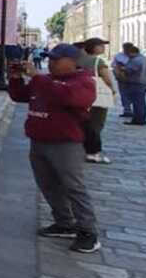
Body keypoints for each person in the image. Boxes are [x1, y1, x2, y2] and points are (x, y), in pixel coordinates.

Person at [7, 44, 100, 253]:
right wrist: (15, 78)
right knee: (48, 184)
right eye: (50, 59)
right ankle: (64, 222)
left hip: (65, 143)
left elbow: (66, 97)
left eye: (56, 60)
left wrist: (36, 77)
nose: (51, 63)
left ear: (72, 61)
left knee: (73, 187)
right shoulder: (46, 80)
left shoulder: (83, 81)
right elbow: (20, 95)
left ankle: (88, 231)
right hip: (39, 140)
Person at [78, 38, 116, 164]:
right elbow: (107, 78)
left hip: (81, 94)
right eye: (101, 45)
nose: (103, 48)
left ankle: (83, 148)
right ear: (94, 47)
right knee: (96, 123)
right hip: (96, 96)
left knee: (84, 122)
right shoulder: (98, 61)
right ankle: (93, 152)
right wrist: (112, 90)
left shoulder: (79, 60)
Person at [121, 44, 146, 125]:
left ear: (132, 52)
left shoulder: (135, 60)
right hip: (144, 82)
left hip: (136, 82)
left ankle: (138, 119)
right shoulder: (145, 59)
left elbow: (130, 70)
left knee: (137, 102)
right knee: (141, 102)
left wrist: (123, 69)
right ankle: (141, 118)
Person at [113, 44, 133, 117]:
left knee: (132, 94)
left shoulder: (134, 56)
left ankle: (133, 108)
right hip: (121, 77)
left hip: (132, 78)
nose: (127, 50)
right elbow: (114, 65)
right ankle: (127, 110)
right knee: (123, 93)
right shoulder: (119, 56)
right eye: (125, 48)